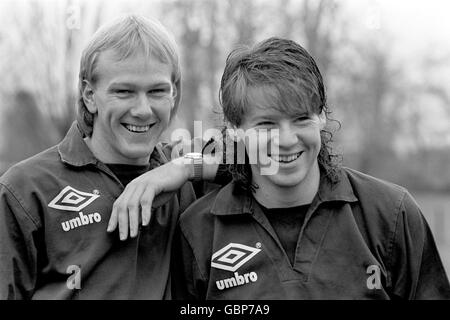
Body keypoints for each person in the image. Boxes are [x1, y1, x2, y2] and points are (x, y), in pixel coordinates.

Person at [165, 37, 450, 299]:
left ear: (322, 115)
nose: (287, 140)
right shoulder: (198, 231)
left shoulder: (390, 215)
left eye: (301, 119)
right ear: (234, 128)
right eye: (267, 124)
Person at [0, 14, 219, 299]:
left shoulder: (186, 178)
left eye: (157, 91)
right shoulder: (25, 189)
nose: (142, 110)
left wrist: (185, 168)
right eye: (124, 91)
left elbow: (267, 156)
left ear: (174, 93)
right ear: (90, 94)